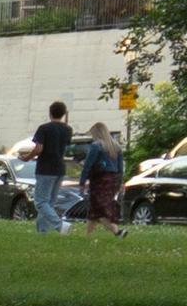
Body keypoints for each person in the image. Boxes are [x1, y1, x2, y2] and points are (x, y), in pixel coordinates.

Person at [28, 100, 75, 234]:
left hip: (45, 168)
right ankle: (42, 232)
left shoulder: (44, 128)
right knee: (49, 203)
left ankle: (60, 226)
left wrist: (27, 157)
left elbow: (39, 148)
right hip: (60, 168)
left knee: (40, 202)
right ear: (63, 114)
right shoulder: (67, 129)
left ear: (50, 113)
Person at [82, 121, 125, 231]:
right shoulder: (116, 146)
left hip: (100, 180)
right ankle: (87, 236)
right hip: (113, 179)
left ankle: (117, 231)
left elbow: (88, 164)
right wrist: (120, 183)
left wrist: (82, 181)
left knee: (99, 209)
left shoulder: (96, 146)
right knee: (94, 209)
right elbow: (120, 168)